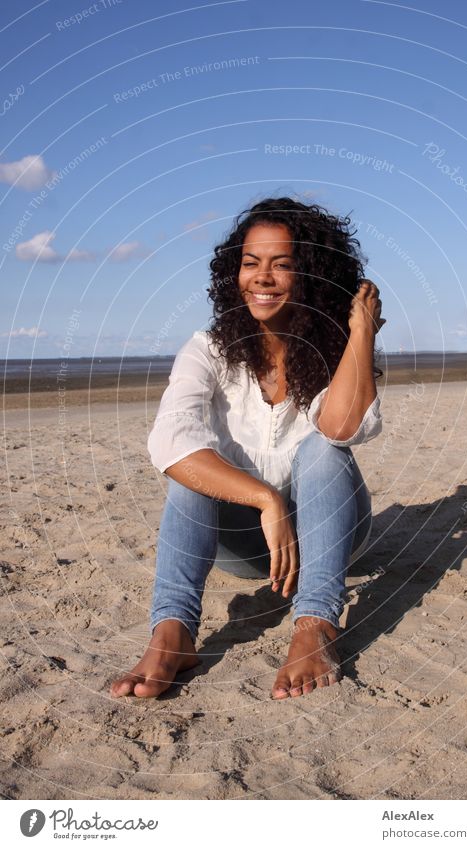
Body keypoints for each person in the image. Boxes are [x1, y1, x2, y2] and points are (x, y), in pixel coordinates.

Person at [110, 196, 386, 701]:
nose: (262, 277)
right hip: (240, 544)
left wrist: (361, 332)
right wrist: (265, 499)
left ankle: (315, 624)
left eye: (282, 265)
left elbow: (344, 429)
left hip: (329, 535)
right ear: (233, 274)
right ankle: (172, 631)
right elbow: (169, 441)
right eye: (250, 263)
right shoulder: (210, 348)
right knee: (191, 466)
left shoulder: (332, 351)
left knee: (323, 450)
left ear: (312, 277)